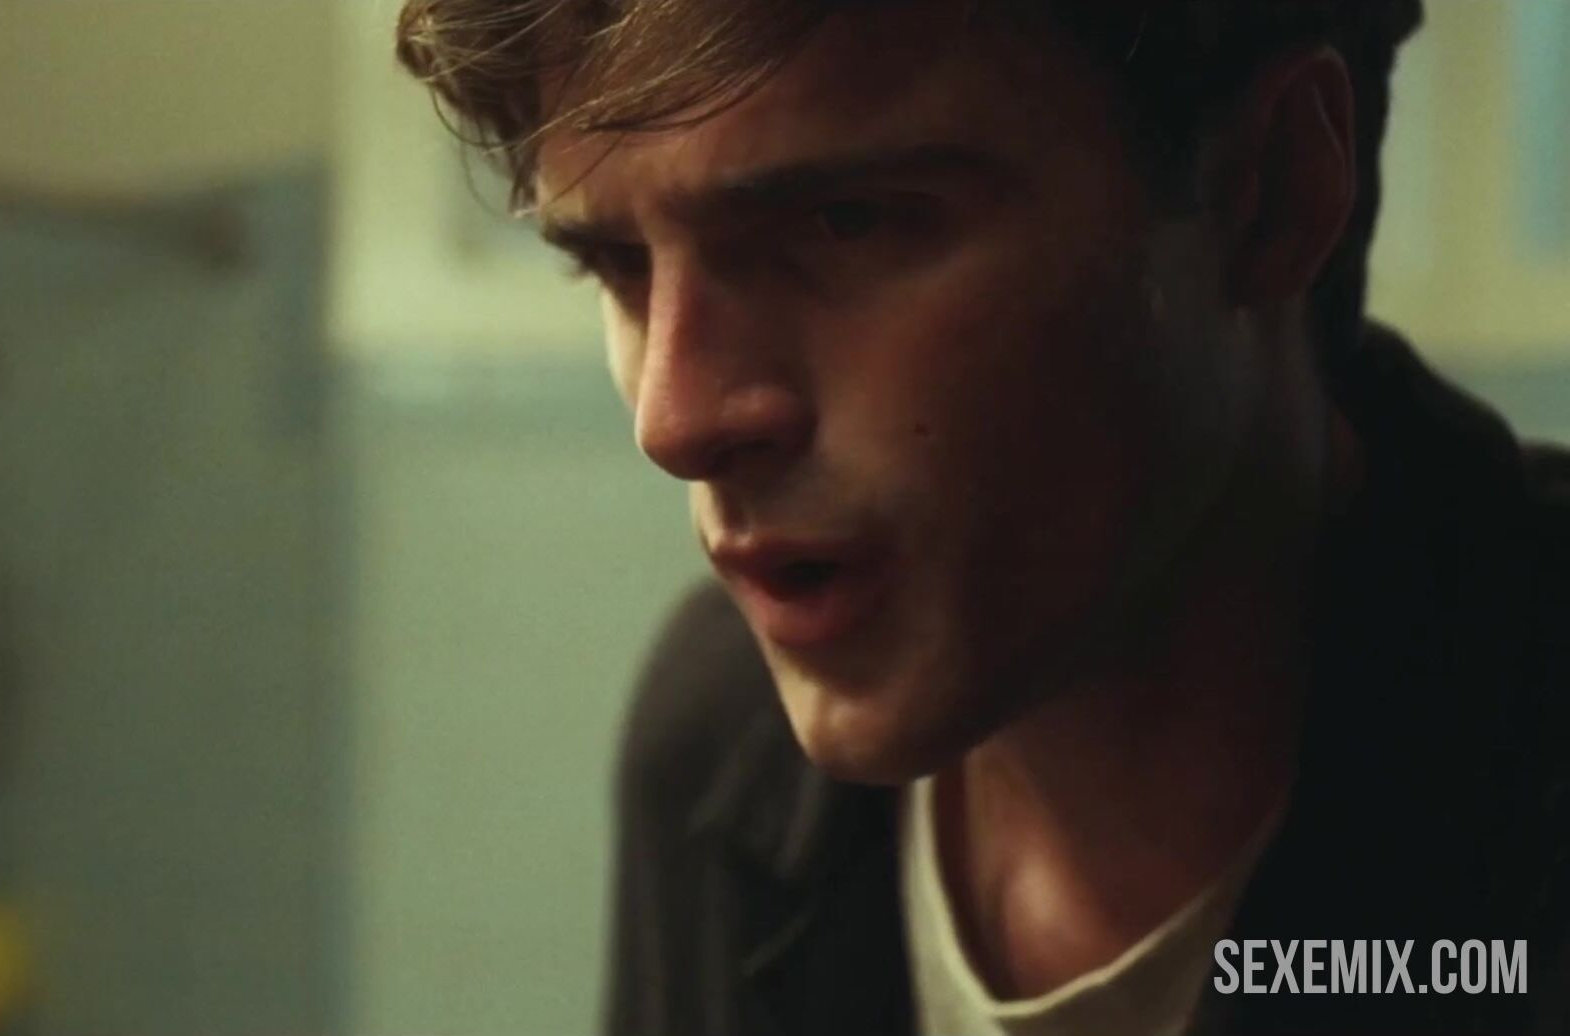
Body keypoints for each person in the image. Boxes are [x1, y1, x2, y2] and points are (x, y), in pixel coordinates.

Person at [394, 1, 1570, 1033]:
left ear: (1269, 191)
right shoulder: (719, 752)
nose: (675, 420)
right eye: (618, 264)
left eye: (847, 223)